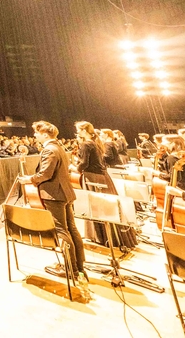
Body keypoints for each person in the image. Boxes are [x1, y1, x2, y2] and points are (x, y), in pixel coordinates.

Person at [17, 121, 88, 299]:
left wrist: (29, 180)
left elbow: (45, 174)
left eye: (37, 133)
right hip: (64, 193)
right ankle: (79, 267)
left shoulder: (49, 149)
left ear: (45, 134)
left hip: (55, 195)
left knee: (61, 230)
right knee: (72, 228)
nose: (35, 136)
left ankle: (69, 268)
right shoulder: (59, 147)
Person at [71, 121, 136, 249]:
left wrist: (74, 167)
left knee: (96, 207)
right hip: (102, 177)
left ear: (84, 131)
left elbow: (84, 164)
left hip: (93, 177)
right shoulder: (96, 143)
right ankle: (112, 237)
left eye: (78, 130)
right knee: (108, 207)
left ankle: (101, 237)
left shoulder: (86, 144)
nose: (77, 132)